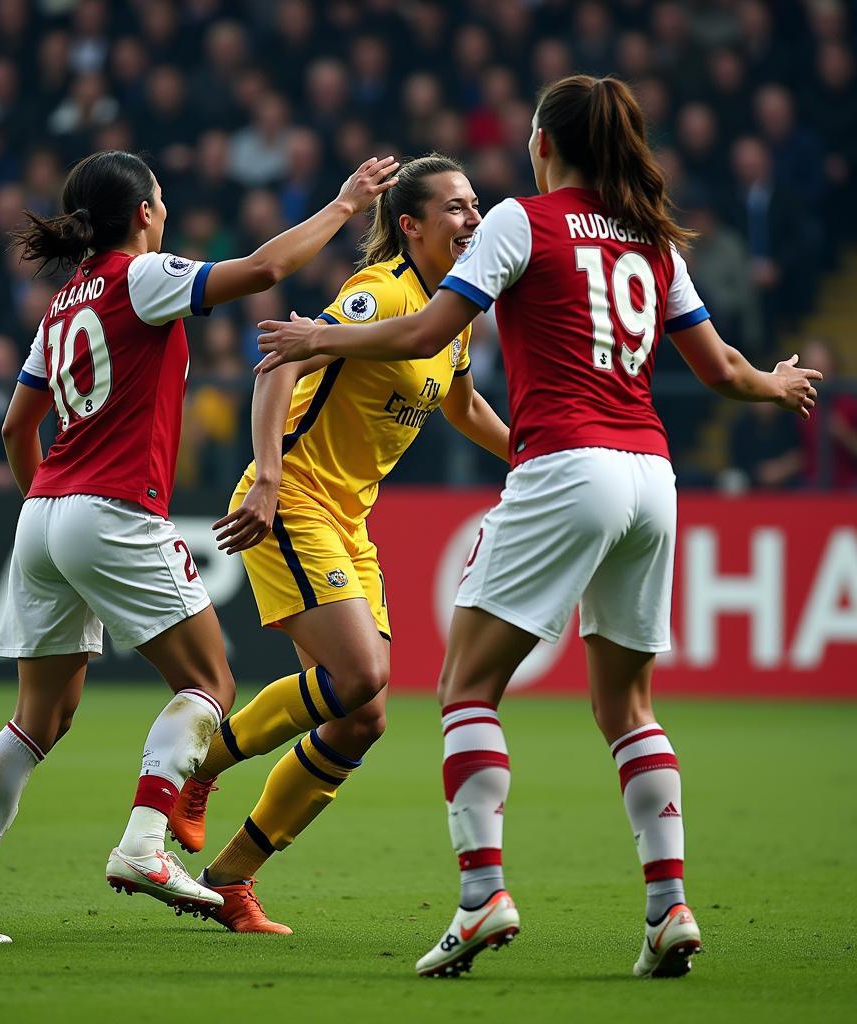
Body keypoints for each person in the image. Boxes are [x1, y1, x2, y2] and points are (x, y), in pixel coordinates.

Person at [254, 76, 822, 979]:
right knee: (627, 707)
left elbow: (426, 331)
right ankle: (670, 907)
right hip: (652, 476)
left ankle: (482, 899)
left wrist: (320, 339)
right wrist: (777, 384)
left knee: (466, 689)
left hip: (567, 464)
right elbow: (719, 370)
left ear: (547, 143)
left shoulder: (523, 219)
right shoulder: (653, 240)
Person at [0, 148, 398, 944]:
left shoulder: (57, 306)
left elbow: (17, 429)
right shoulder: (140, 278)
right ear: (143, 212)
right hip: (112, 509)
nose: (167, 210)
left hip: (42, 514)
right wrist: (346, 204)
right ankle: (145, 844)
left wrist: (53, 501)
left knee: (36, 720)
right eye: (162, 200)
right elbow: (264, 268)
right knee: (210, 681)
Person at [168, 155, 510, 934]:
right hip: (292, 500)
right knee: (360, 676)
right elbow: (279, 364)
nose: (473, 219)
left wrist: (535, 452)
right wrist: (264, 475)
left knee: (363, 718)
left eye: (477, 204)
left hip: (348, 519)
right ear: (412, 225)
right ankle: (197, 763)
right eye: (455, 208)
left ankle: (229, 880)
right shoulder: (379, 293)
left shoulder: (451, 312)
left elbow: (461, 406)